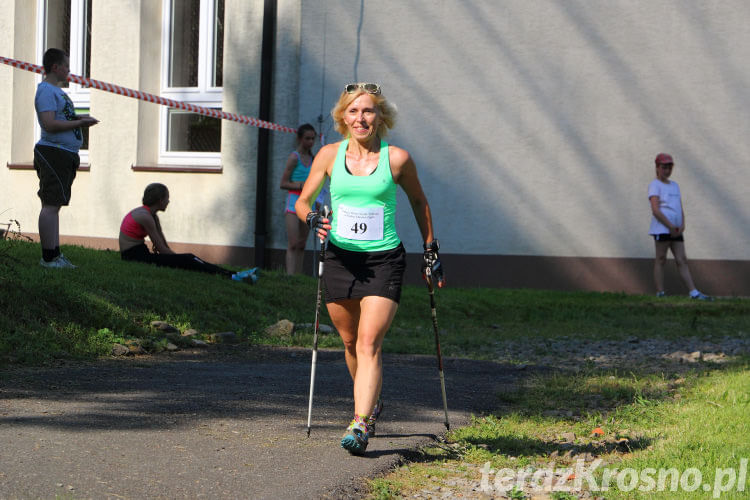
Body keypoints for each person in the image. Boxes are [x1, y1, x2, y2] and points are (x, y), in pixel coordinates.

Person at [295, 82, 445, 455]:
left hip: (384, 260)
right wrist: (313, 217)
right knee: (348, 342)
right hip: (340, 259)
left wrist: (431, 249)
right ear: (343, 117)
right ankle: (372, 403)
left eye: (368, 111)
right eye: (353, 111)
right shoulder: (329, 155)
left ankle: (361, 422)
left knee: (368, 342)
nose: (360, 118)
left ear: (380, 117)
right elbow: (302, 201)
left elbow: (419, 201)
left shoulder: (397, 159)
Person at [34, 48, 99, 268]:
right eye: (66, 66)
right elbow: (49, 124)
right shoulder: (46, 91)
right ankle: (48, 257)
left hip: (65, 153)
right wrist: (80, 124)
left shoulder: (57, 92)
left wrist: (80, 118)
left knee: (55, 205)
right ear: (55, 67)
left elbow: (62, 117)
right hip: (54, 152)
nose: (69, 71)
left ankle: (55, 254)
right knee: (50, 204)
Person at [119, 183, 257, 283]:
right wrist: (178, 259)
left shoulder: (151, 215)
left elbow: (162, 242)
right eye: (167, 198)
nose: (169, 201)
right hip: (134, 256)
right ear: (160, 200)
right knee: (189, 259)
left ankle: (234, 274)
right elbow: (161, 249)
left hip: (141, 252)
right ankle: (233, 276)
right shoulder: (145, 216)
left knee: (189, 259)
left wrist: (175, 257)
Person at [648, 153, 712, 300]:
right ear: (657, 167)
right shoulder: (654, 185)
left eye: (670, 167)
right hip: (662, 229)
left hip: (676, 230)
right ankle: (660, 292)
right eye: (664, 167)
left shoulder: (675, 185)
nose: (667, 170)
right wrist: (669, 226)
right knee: (661, 259)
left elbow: (679, 207)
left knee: (682, 260)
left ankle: (693, 292)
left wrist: (682, 224)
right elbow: (655, 209)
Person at [280, 124, 317, 274]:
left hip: (309, 203)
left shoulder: (314, 159)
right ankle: (290, 276)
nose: (311, 142)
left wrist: (319, 200)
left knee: (302, 244)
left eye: (313, 139)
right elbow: (283, 183)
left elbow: (317, 184)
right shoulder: (294, 157)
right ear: (300, 139)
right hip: (293, 203)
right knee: (293, 243)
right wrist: (300, 185)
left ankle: (298, 276)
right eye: (307, 138)